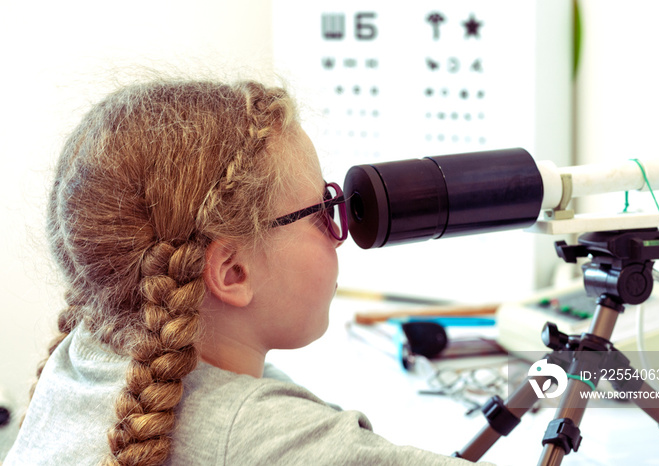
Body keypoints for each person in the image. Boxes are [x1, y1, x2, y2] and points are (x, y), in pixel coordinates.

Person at [4, 78, 494, 465]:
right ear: (233, 271)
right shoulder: (260, 437)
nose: (341, 228)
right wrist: (575, 379)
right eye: (323, 208)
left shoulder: (89, 354)